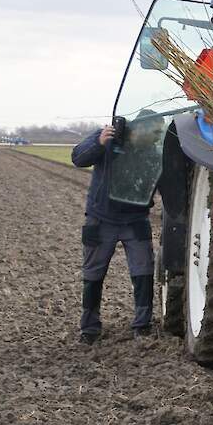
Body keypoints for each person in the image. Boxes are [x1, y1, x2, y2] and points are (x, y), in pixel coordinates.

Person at [71, 115, 161, 344]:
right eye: (155, 132)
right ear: (141, 129)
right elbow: (78, 158)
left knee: (144, 273)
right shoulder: (108, 137)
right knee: (93, 275)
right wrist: (98, 143)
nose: (158, 136)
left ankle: (142, 326)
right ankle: (89, 329)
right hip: (101, 219)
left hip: (136, 219)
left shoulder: (153, 154)